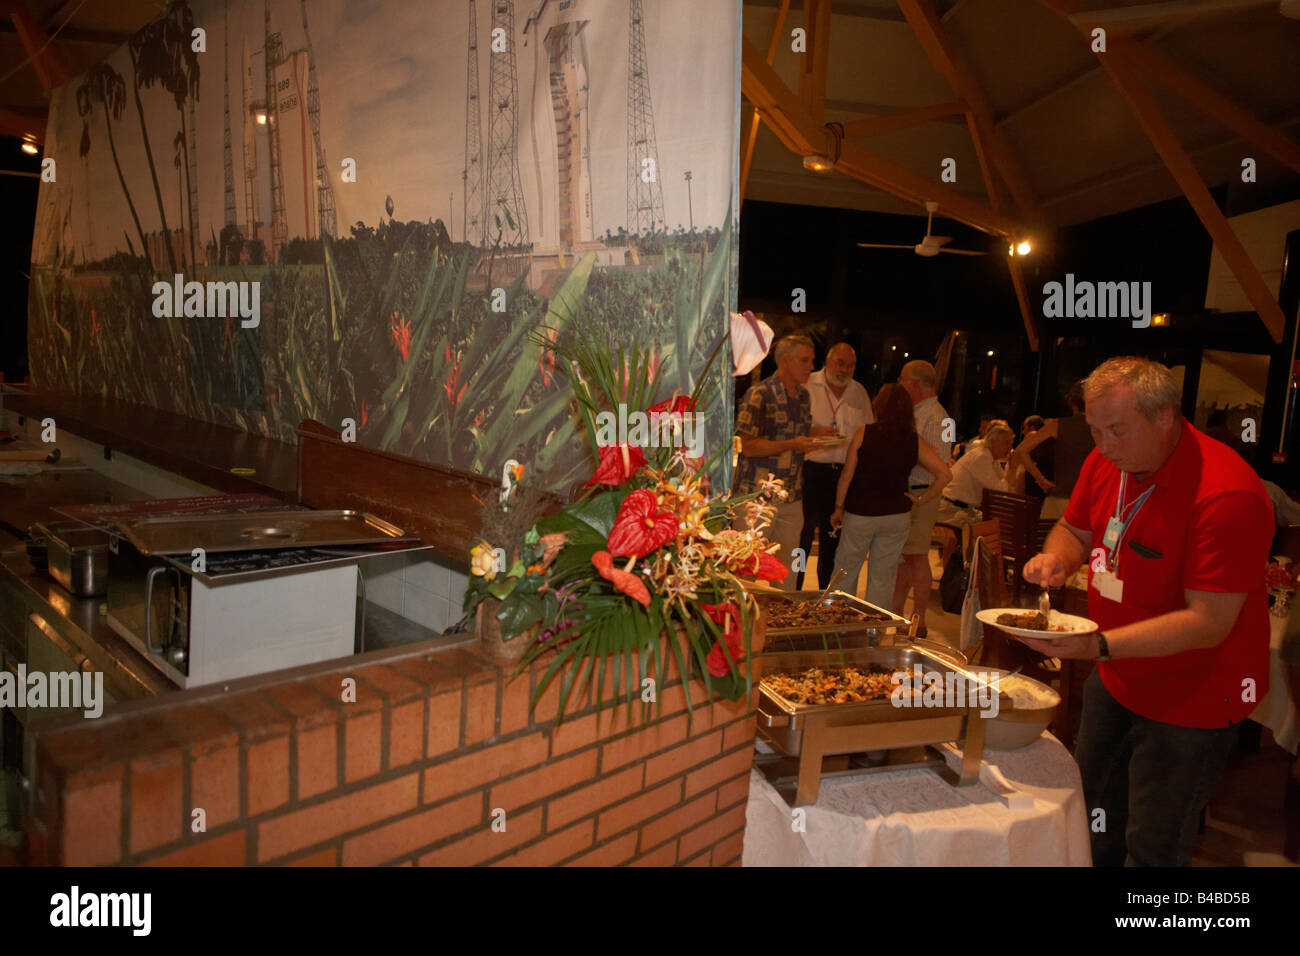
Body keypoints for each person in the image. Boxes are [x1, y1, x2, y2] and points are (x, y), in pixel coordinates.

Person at [1019, 356, 1274, 867]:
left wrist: (1099, 646)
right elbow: (1076, 529)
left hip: (1193, 694)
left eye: (1116, 431)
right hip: (1116, 675)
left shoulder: (1226, 493)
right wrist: (1058, 557)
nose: (1104, 447)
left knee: (1154, 841)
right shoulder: (1108, 461)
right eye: (1094, 430)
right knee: (1092, 813)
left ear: (1166, 418)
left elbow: (1209, 622)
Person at [830, 384, 951, 610]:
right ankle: (874, 630)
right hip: (897, 514)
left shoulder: (864, 433)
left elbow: (847, 475)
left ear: (878, 407)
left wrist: (838, 507)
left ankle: (840, 625)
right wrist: (923, 498)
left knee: (846, 570)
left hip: (861, 512)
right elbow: (945, 474)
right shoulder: (914, 439)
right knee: (883, 577)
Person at [733, 333, 825, 591]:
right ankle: (743, 624)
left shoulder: (803, 397)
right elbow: (748, 446)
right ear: (785, 361)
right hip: (756, 497)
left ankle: (781, 624)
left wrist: (818, 436)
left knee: (787, 568)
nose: (811, 367)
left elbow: (793, 434)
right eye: (805, 361)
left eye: (812, 361)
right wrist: (792, 444)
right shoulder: (759, 394)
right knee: (747, 565)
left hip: (791, 496)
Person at [798, 343, 874, 590]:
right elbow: (788, 429)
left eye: (850, 365)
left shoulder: (859, 392)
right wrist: (813, 433)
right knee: (803, 537)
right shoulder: (807, 384)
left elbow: (868, 433)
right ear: (828, 361)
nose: (845, 369)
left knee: (834, 540)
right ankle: (793, 592)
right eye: (840, 363)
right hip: (809, 472)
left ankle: (825, 598)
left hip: (843, 476)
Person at [892, 360, 953, 635]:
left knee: (916, 556)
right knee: (906, 557)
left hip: (922, 494)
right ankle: (896, 613)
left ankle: (919, 620)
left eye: (903, 380)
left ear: (915, 384)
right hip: (913, 493)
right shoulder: (921, 412)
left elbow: (940, 463)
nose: (900, 385)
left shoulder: (937, 417)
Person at [1007, 381, 1093, 520]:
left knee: (1047, 541)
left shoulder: (1057, 425)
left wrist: (1041, 480)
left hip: (1058, 500)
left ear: (1072, 403)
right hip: (1088, 504)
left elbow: (1021, 451)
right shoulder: (1101, 428)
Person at [935, 421, 1014, 526]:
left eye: (1011, 444)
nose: (1010, 448)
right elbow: (1001, 491)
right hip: (950, 511)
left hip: (963, 510)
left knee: (996, 525)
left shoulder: (991, 459)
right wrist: (1013, 467)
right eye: (1006, 443)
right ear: (993, 441)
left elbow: (1005, 489)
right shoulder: (981, 457)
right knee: (993, 528)